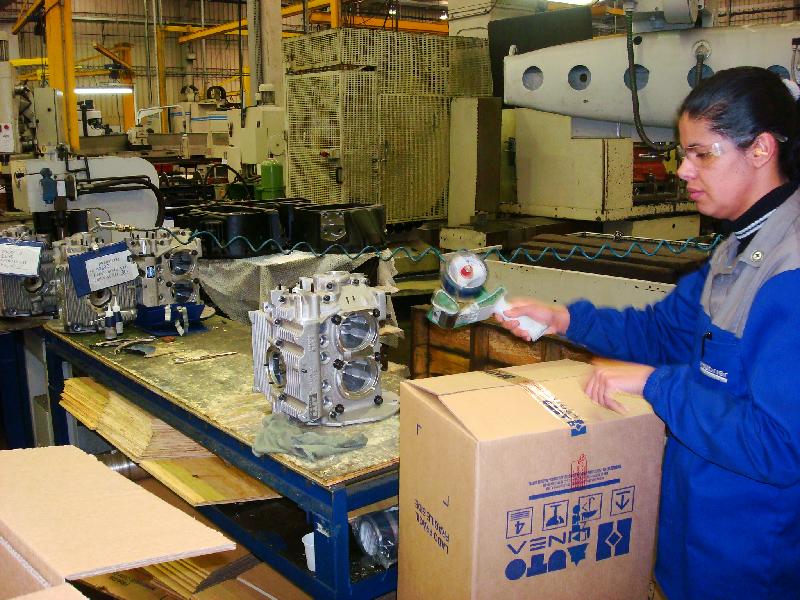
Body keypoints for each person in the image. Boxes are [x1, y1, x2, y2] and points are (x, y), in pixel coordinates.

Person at [497, 66, 800, 600]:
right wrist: (564, 319)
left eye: (702, 154)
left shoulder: (789, 277)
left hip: (752, 559)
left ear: (760, 150)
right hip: (696, 538)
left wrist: (655, 383)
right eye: (684, 153)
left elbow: (778, 447)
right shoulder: (736, 248)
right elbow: (664, 333)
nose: (683, 170)